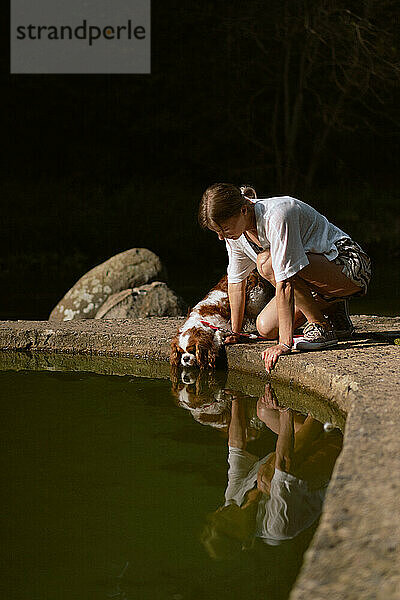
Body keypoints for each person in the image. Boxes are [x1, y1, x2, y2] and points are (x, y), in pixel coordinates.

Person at [198, 183, 371, 372]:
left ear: (243, 210)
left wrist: (284, 344)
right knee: (265, 328)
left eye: (224, 229)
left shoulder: (277, 215)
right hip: (315, 280)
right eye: (217, 232)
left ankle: (321, 327)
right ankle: (334, 311)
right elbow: (236, 283)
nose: (221, 238)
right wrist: (236, 333)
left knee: (266, 263)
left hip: (350, 266)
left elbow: (285, 282)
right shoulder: (235, 234)